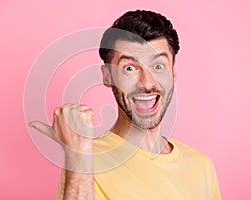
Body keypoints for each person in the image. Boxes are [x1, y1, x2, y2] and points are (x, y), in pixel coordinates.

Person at [29, 10, 221, 200]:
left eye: (159, 66)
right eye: (129, 68)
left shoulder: (201, 165)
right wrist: (78, 155)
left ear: (173, 72)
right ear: (107, 76)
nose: (147, 83)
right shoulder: (86, 161)